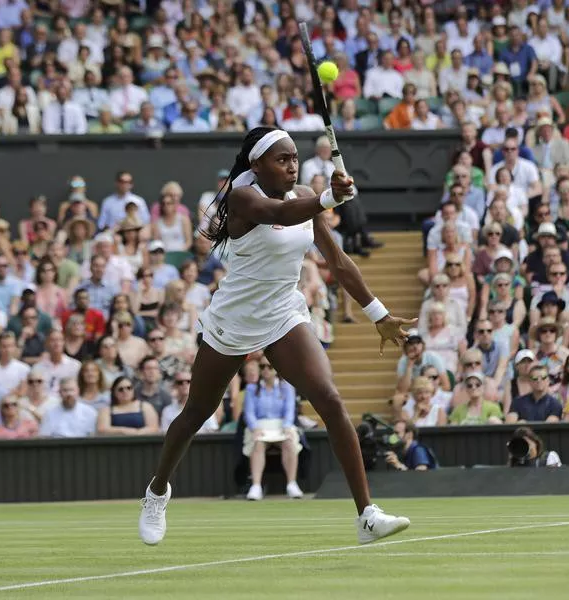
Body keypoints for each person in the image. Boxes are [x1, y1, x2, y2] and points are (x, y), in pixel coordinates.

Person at [139, 127, 412, 546]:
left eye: (294, 159)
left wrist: (378, 313)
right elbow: (281, 215)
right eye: (281, 159)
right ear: (256, 165)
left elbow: (337, 260)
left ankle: (367, 516)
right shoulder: (243, 197)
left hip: (284, 313)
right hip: (234, 318)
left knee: (331, 399)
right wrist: (330, 198)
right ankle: (157, 491)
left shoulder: (301, 193)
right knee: (197, 412)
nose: (291, 166)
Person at [242, 358, 303, 500]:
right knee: (257, 444)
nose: (265, 370)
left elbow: (289, 410)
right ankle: (256, 486)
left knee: (289, 442)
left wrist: (287, 426)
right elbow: (249, 413)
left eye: (269, 366)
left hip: (281, 425)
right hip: (260, 425)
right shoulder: (251, 388)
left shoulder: (286, 387)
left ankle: (292, 484)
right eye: (262, 367)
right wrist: (255, 428)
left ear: (275, 369)